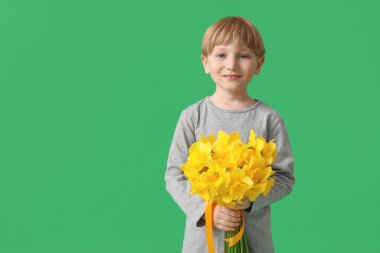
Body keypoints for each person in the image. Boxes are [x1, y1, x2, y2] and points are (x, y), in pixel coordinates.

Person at [165, 16, 295, 253]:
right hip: (203, 243)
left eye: (243, 55)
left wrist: (251, 200)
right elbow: (174, 175)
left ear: (259, 63)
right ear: (205, 62)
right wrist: (207, 211)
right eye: (221, 55)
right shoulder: (192, 116)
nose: (232, 64)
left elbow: (285, 178)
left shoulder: (268, 119)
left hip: (254, 242)